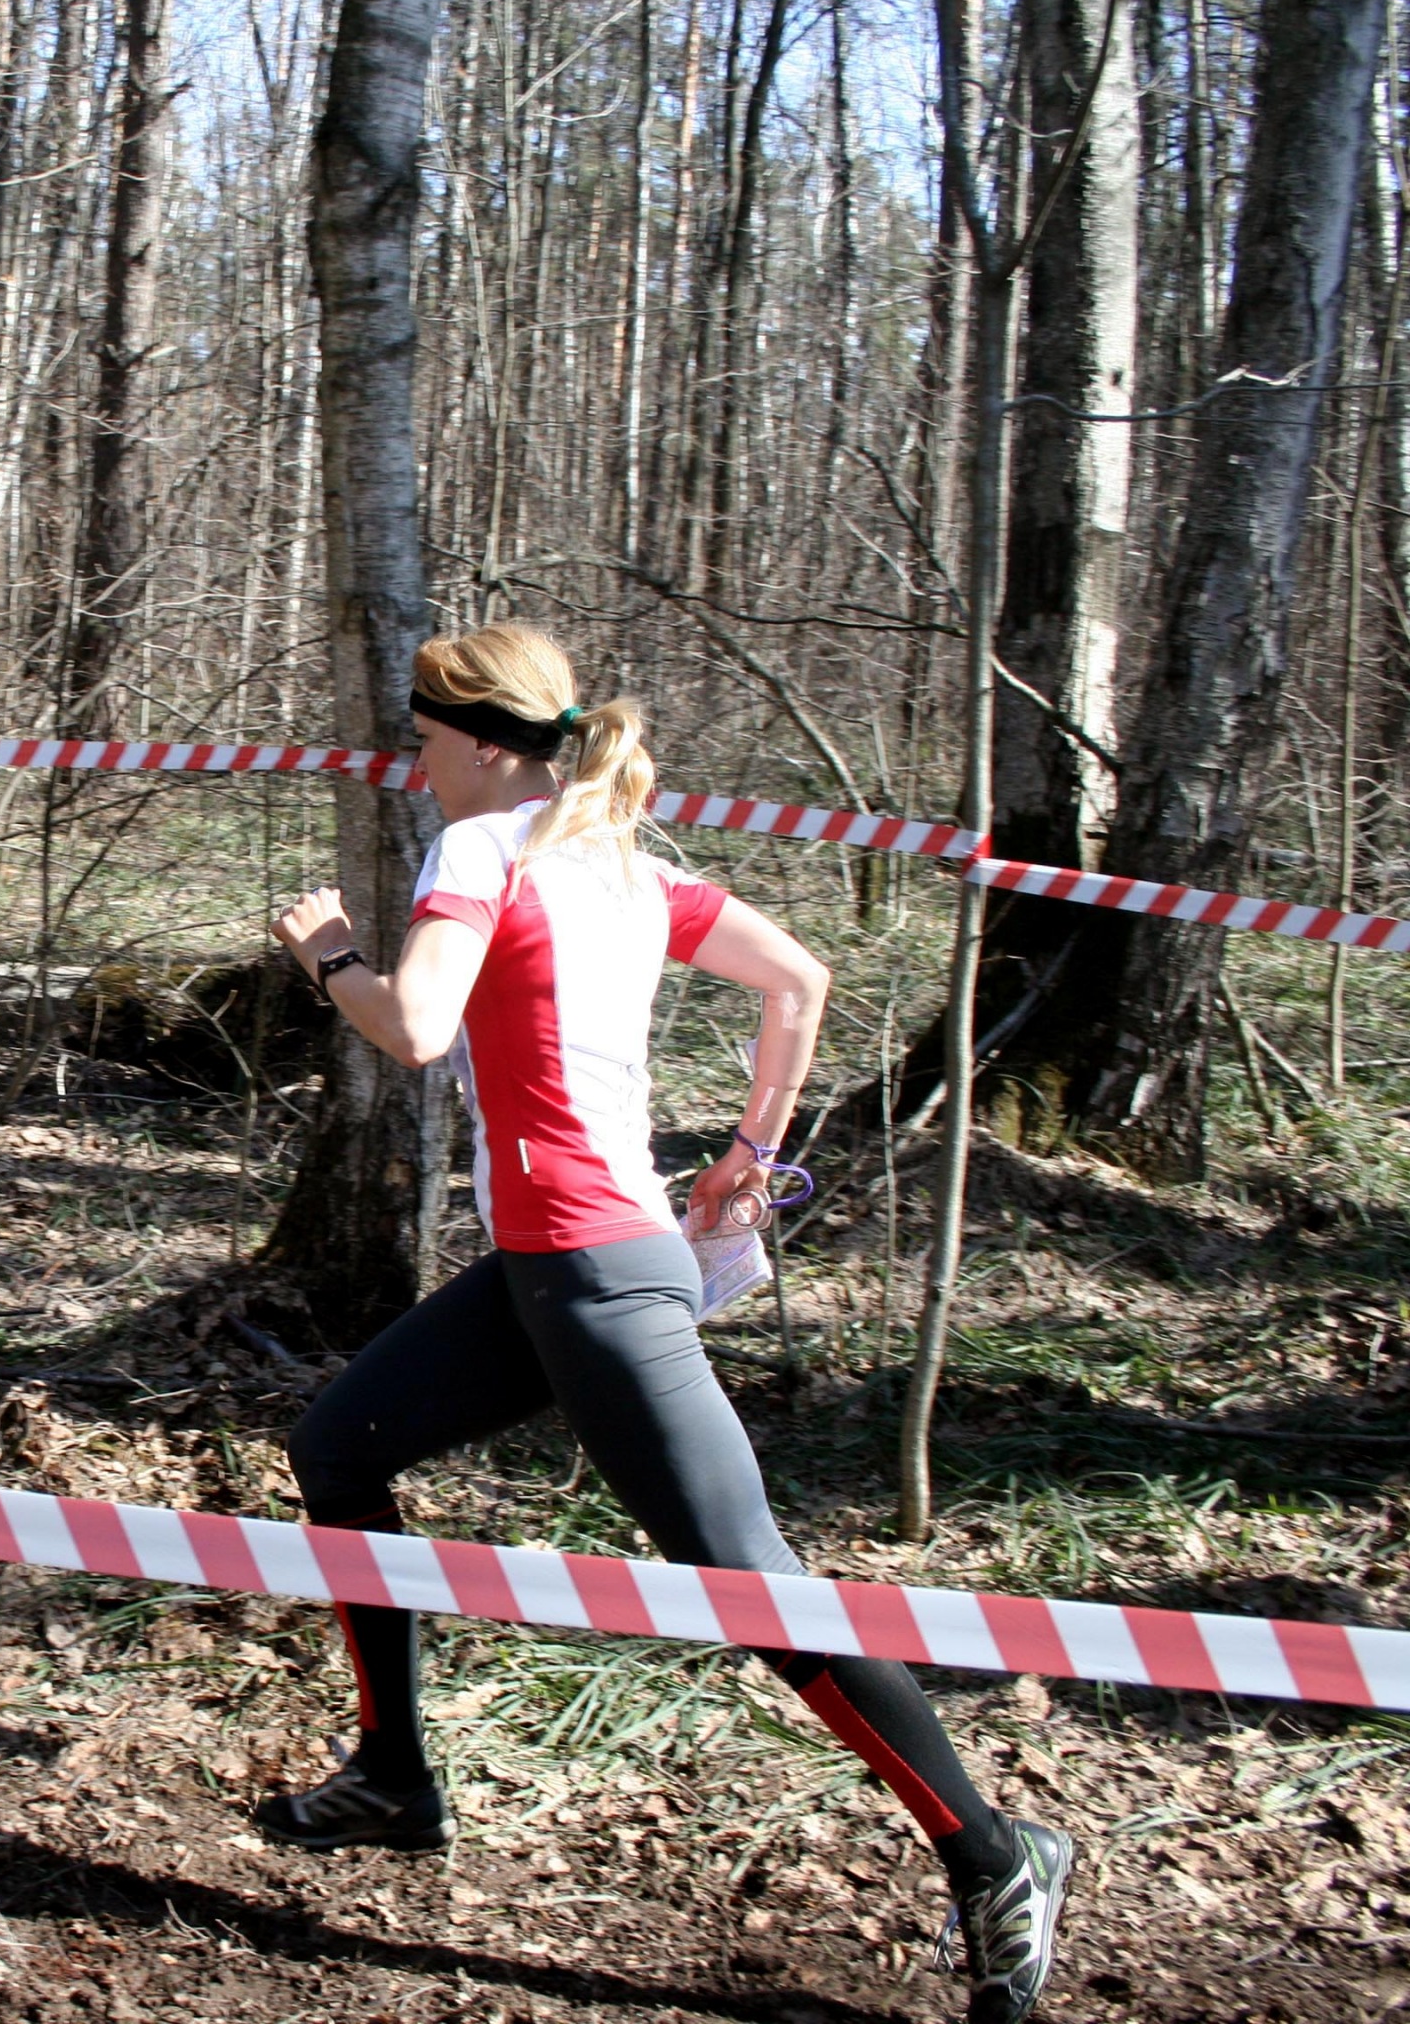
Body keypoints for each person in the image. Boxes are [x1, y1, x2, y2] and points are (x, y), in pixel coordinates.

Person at [262, 623, 1073, 2023]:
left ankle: (997, 1853)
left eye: (426, 742)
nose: (417, 767)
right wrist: (753, 1148)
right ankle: (392, 1776)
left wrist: (332, 954)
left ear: (484, 743)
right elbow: (799, 983)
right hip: (553, 1268)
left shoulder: (484, 850)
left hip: (594, 1272)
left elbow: (417, 1028)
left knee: (746, 1580)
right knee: (339, 1450)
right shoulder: (623, 865)